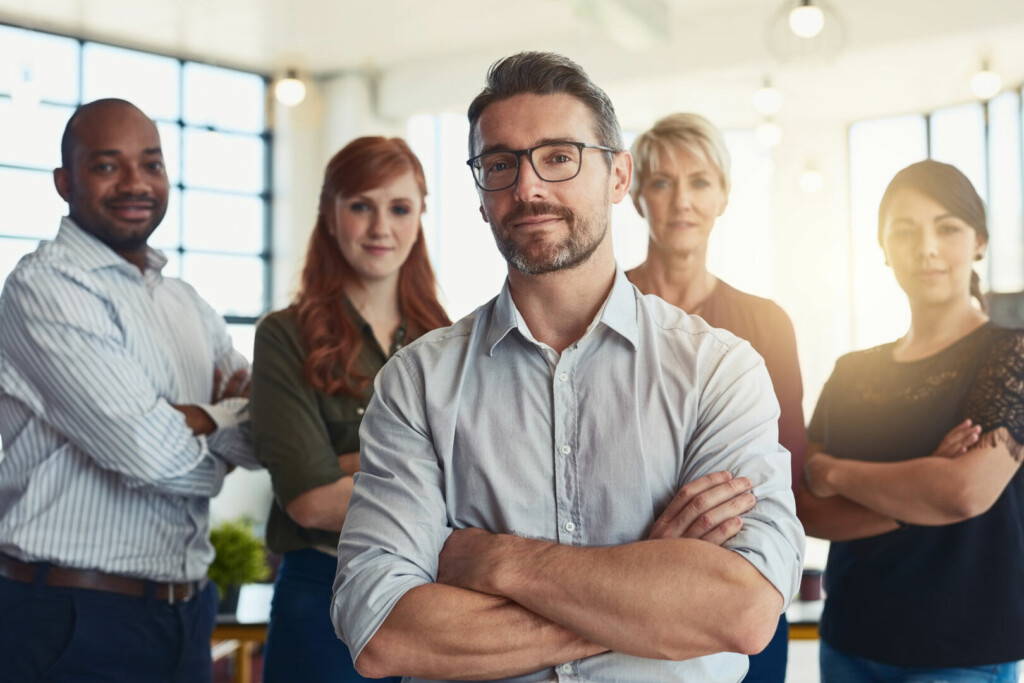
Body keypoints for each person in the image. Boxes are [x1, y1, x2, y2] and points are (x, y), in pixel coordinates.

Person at [331, 52, 804, 682]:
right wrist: (645, 592)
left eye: (559, 157)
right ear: (480, 194)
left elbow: (740, 610)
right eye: (500, 164)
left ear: (617, 176)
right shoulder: (416, 383)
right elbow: (384, 633)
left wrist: (500, 564)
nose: (527, 188)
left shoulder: (718, 370)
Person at [0, 98, 257, 683]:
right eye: (107, 166)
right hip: (69, 618)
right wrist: (217, 430)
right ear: (65, 181)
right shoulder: (44, 288)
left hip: (186, 612)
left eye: (151, 164)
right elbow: (147, 453)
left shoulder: (186, 303)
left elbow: (262, 436)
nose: (136, 183)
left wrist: (191, 418)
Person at [802, 160, 1023, 681]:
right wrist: (921, 481)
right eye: (905, 231)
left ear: (979, 242)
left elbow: (963, 493)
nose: (926, 248)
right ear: (883, 248)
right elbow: (807, 510)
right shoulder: (851, 371)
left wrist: (834, 472)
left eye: (946, 228)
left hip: (961, 654)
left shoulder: (1011, 355)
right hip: (849, 641)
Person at [250, 136, 449, 683]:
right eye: (361, 205)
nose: (381, 227)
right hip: (322, 596)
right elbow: (311, 502)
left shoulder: (448, 340)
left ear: (420, 216)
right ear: (330, 215)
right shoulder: (284, 336)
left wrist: (351, 464)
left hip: (431, 597)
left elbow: (484, 476)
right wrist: (426, 481)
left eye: (399, 208)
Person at [626, 112, 808, 682]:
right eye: (662, 182)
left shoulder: (765, 322)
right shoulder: (599, 314)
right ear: (635, 197)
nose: (682, 200)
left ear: (724, 196)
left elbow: (788, 463)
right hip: (626, 582)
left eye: (700, 181)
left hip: (743, 579)